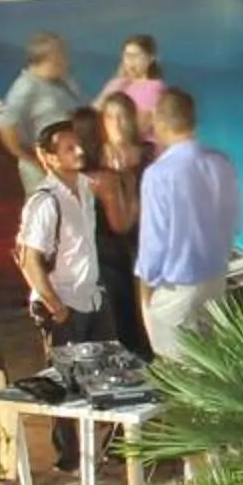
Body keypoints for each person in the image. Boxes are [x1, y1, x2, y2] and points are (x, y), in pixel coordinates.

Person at [15, 119, 114, 472]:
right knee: (66, 383)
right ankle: (70, 455)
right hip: (64, 304)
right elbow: (30, 259)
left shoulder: (85, 189)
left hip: (92, 296)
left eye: (78, 145)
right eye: (69, 148)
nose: (79, 151)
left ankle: (106, 445)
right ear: (49, 158)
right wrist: (54, 305)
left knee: (104, 372)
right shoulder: (44, 203)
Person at [134, 87, 243, 360]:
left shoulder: (159, 174)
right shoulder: (221, 163)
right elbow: (235, 220)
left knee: (177, 369)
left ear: (159, 122)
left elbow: (154, 240)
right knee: (213, 364)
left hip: (177, 286)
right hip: (215, 278)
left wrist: (145, 290)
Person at [83, 93, 153, 357]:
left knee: (150, 303)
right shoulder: (94, 160)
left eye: (123, 115)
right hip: (111, 244)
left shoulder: (147, 154)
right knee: (122, 303)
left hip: (146, 236)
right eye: (111, 116)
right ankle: (135, 352)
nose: (118, 122)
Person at [0, 32, 86, 194]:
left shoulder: (64, 79)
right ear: (46, 59)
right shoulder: (24, 89)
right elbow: (6, 128)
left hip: (70, 157)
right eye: (61, 56)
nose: (65, 60)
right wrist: (31, 160)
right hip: (44, 164)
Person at [97, 34, 168, 135]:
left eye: (136, 56)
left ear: (150, 58)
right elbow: (93, 112)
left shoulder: (153, 87)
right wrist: (116, 83)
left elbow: (141, 126)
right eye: (127, 55)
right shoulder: (117, 83)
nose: (131, 61)